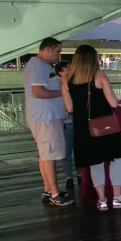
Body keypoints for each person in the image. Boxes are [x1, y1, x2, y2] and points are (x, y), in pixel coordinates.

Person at [62, 45, 121, 211]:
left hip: (83, 129)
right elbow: (113, 103)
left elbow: (70, 108)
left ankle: (102, 201)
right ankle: (118, 199)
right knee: (115, 159)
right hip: (104, 126)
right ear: (92, 59)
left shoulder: (67, 81)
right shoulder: (99, 75)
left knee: (95, 163)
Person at [23, 37, 75, 207]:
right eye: (58, 51)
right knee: (49, 155)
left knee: (45, 155)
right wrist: (62, 92)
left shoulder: (41, 66)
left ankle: (48, 190)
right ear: (48, 49)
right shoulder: (38, 65)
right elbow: (38, 92)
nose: (59, 56)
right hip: (45, 118)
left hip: (46, 117)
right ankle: (54, 193)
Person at [54, 61, 79, 190]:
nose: (70, 70)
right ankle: (69, 177)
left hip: (73, 120)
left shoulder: (72, 83)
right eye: (67, 69)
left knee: (75, 149)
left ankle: (78, 175)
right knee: (68, 151)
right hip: (67, 121)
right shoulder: (58, 85)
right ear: (60, 72)